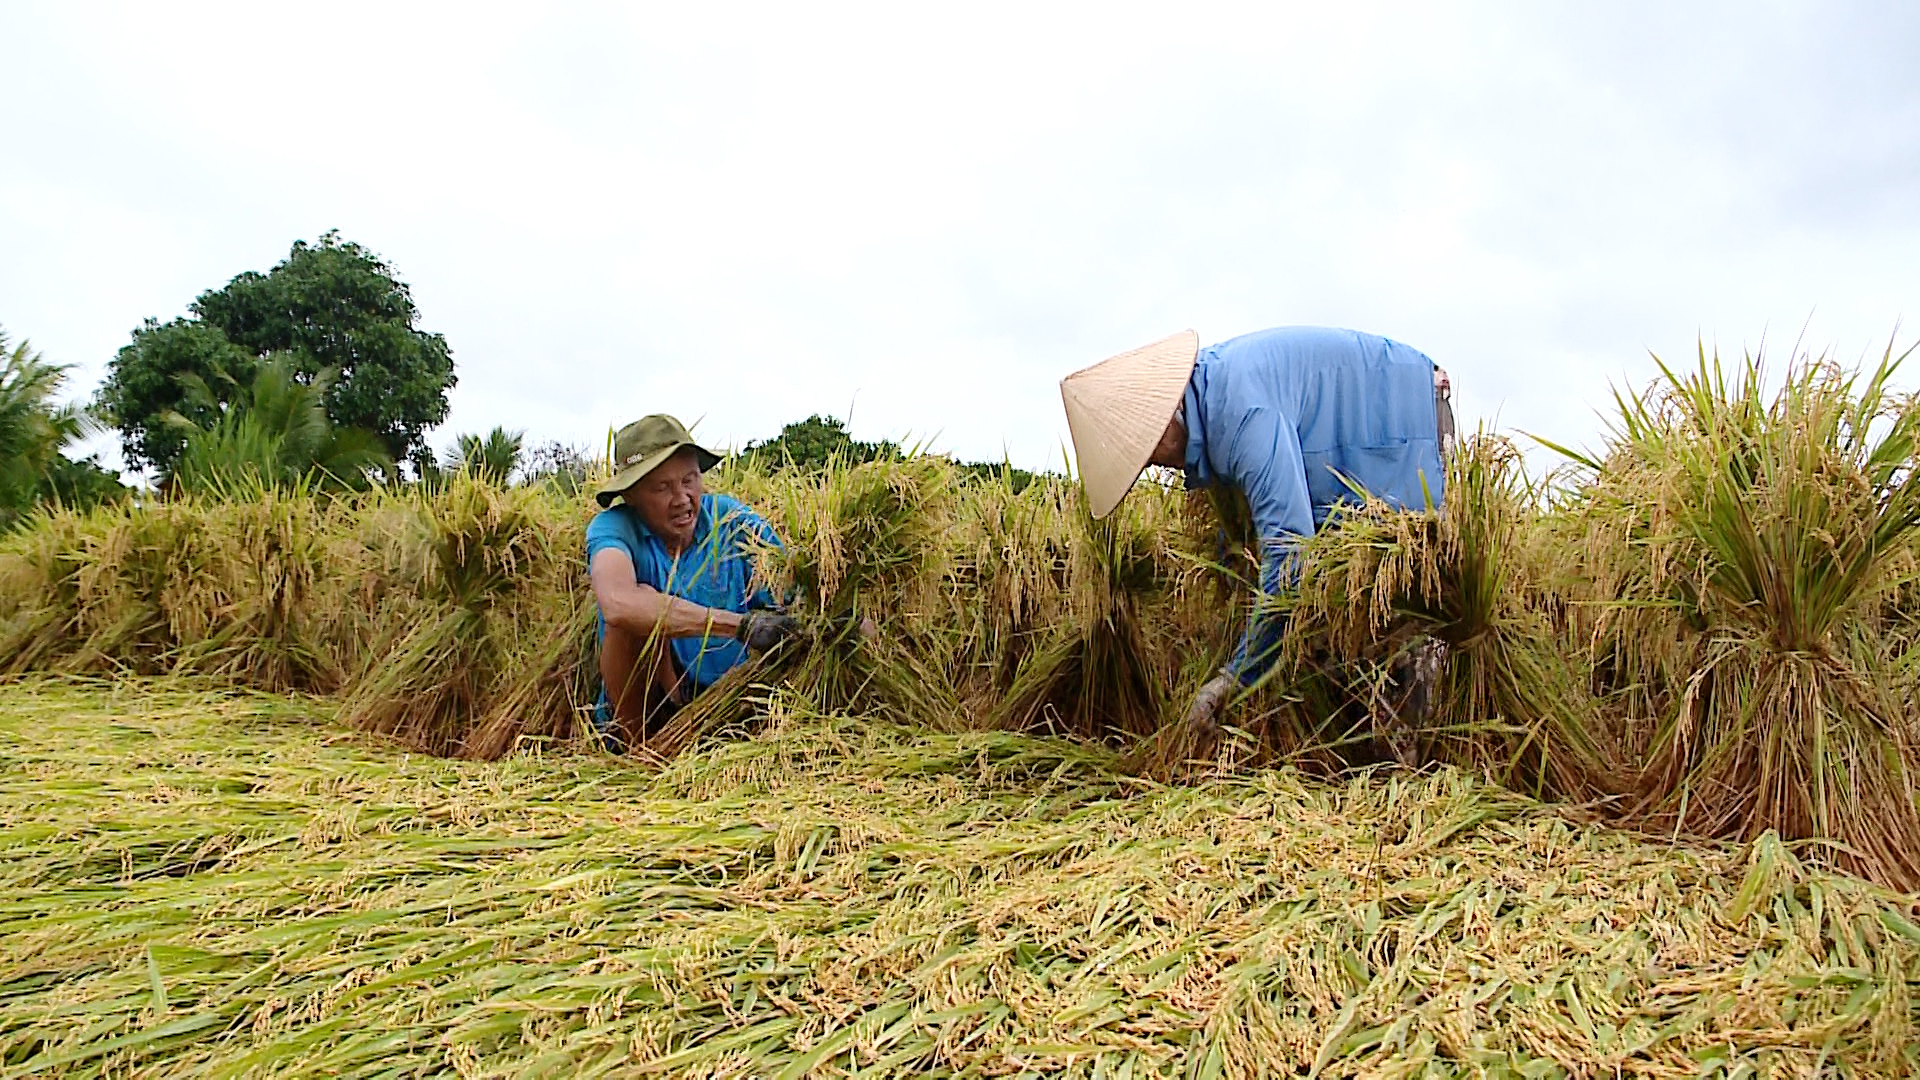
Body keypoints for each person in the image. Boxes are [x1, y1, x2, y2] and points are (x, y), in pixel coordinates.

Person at [1059, 326, 1454, 743]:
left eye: (1151, 451)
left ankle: (1412, 773)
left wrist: (1234, 678)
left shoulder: (1242, 415)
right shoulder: (1210, 396)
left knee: (1402, 608)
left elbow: (1291, 557)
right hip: (1351, 451)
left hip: (1404, 419)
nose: (1159, 465)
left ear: (1168, 419)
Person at [585, 414, 797, 749]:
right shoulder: (614, 528)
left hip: (736, 699)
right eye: (662, 487)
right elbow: (617, 602)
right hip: (653, 708)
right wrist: (739, 626)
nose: (682, 498)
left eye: (689, 480)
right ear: (632, 496)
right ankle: (637, 752)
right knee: (634, 615)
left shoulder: (734, 521)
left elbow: (794, 595)